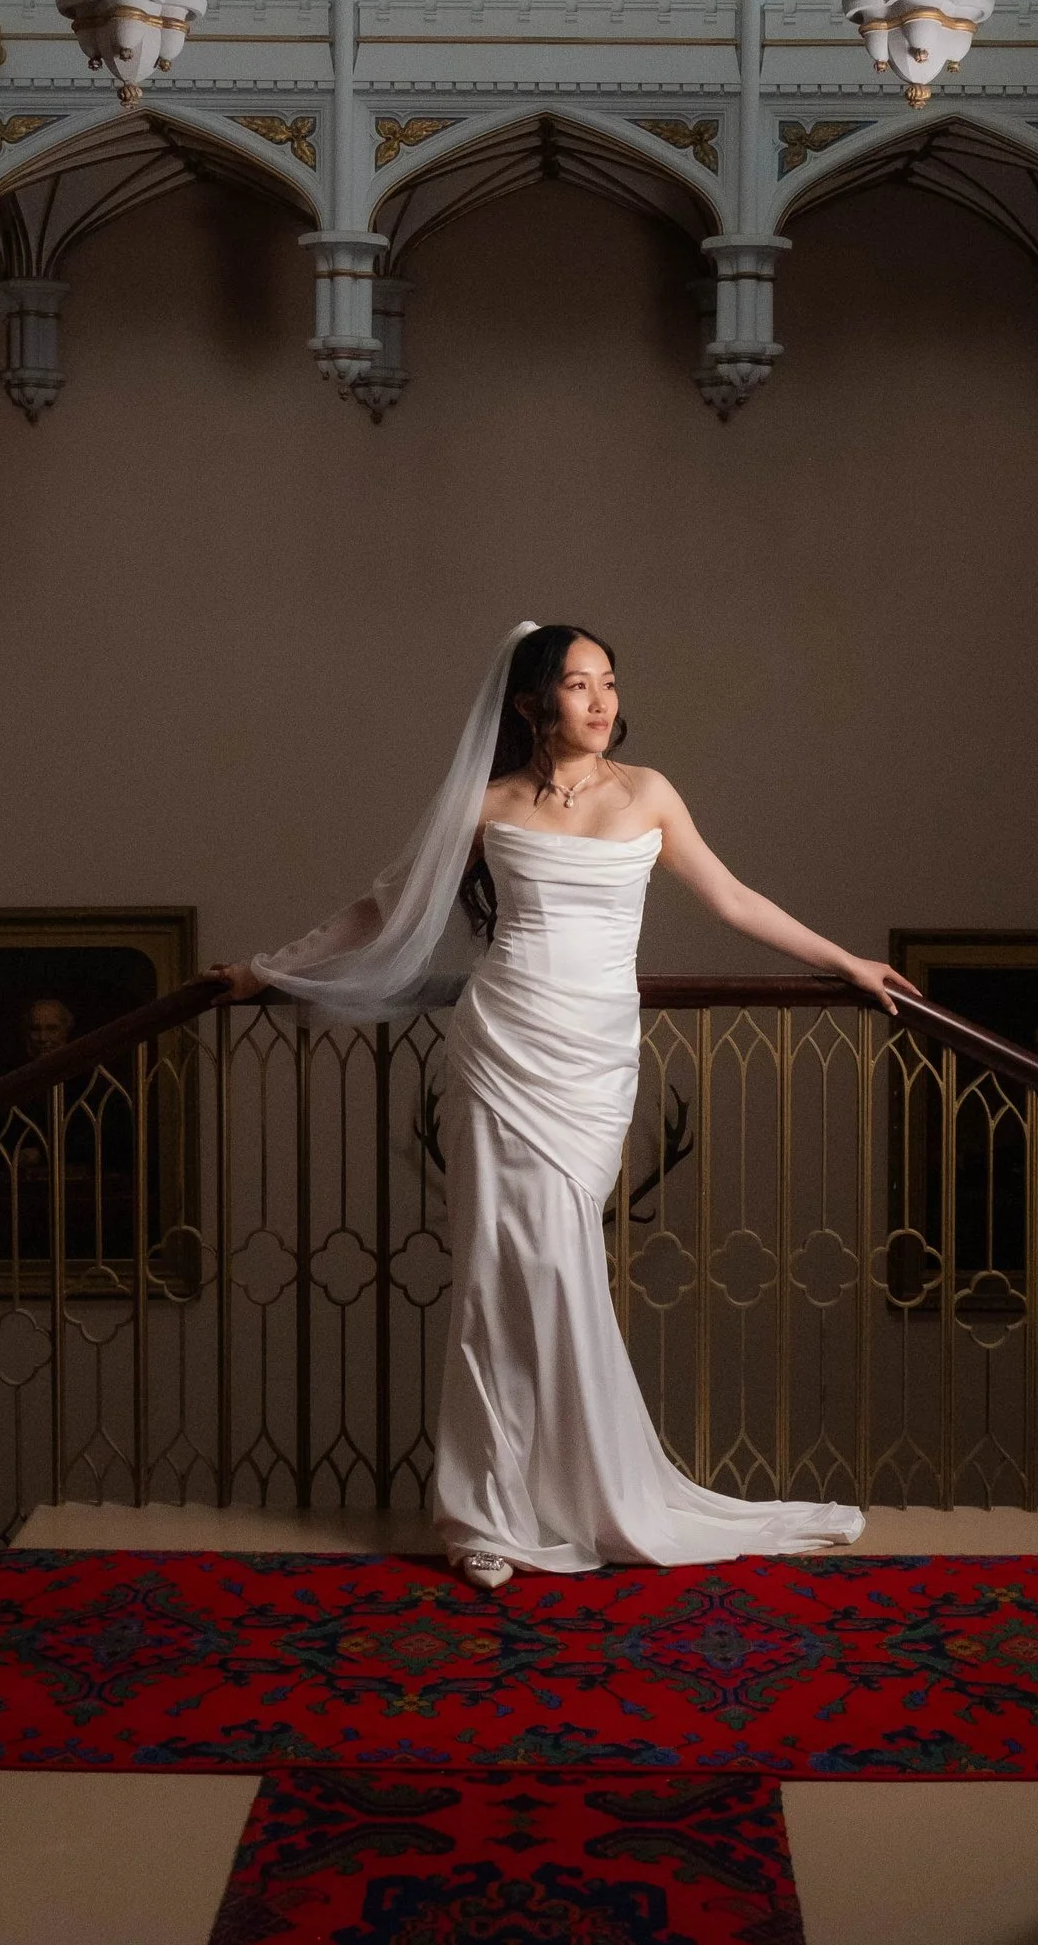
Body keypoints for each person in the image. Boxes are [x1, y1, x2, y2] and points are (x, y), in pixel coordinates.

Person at [217, 622, 916, 1589]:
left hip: (591, 1064)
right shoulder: (487, 800)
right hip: (500, 1048)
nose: (602, 702)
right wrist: (266, 968)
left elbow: (734, 897)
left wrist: (845, 961)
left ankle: (570, 1493)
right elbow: (378, 906)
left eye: (610, 684)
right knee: (490, 1275)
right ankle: (485, 1515)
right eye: (579, 685)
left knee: (555, 1262)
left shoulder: (648, 793)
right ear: (529, 705)